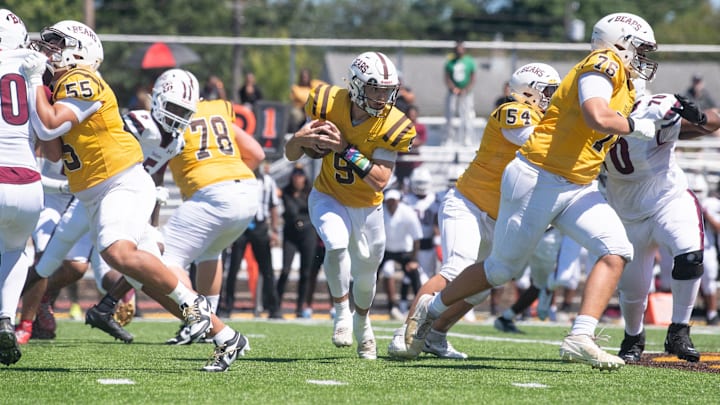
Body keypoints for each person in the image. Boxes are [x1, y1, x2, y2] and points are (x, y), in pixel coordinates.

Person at [406, 12, 661, 371]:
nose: (643, 58)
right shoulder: (603, 63)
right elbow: (596, 115)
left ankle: (580, 337)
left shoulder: (628, 83)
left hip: (577, 183)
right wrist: (635, 125)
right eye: (640, 49)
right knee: (500, 269)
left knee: (616, 250)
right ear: (620, 43)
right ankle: (430, 309)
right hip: (538, 176)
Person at [21, 23, 238, 371]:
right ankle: (226, 337)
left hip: (119, 182)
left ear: (80, 51)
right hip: (93, 192)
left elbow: (48, 127)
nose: (48, 52)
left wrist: (33, 83)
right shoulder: (58, 85)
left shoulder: (83, 78)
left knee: (116, 251)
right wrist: (40, 92)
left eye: (57, 45)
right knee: (148, 279)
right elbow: (52, 150)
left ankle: (194, 307)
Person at [388, 62, 561, 360]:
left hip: (498, 216)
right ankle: (404, 333)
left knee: (483, 285)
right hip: (468, 204)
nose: (553, 97)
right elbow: (535, 145)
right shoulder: (512, 110)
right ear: (528, 92)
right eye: (548, 91)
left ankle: (436, 335)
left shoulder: (547, 121)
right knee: (457, 268)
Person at [284, 51, 416, 359]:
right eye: (375, 88)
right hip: (328, 195)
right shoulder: (327, 102)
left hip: (368, 206)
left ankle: (363, 323)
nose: (382, 97)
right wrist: (299, 139)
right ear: (356, 85)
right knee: (335, 243)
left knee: (367, 275)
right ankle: (341, 313)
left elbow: (380, 179)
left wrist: (344, 149)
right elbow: (292, 154)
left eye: (387, 90)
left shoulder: (393, 124)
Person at [604, 92, 719, 363]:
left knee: (690, 256)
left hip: (669, 198)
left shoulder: (651, 109)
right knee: (633, 288)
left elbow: (712, 121)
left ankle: (679, 329)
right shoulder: (593, 115)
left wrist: (701, 116)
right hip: (627, 212)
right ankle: (633, 337)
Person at [0, 9, 60, 366]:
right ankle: (5, 318)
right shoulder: (31, 72)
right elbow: (51, 145)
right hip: (28, 182)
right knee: (18, 252)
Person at [220, 162, 281, 319]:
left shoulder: (268, 181)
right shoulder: (238, 179)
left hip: (260, 227)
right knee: (233, 269)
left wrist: (274, 230)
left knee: (267, 268)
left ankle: (273, 308)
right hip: (241, 227)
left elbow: (273, 206)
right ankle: (227, 306)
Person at [276, 164, 320, 318]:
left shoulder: (310, 193)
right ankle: (276, 304)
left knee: (306, 273)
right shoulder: (285, 192)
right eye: (295, 175)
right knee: (286, 270)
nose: (298, 179)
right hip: (290, 235)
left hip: (308, 234)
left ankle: (301, 306)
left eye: (300, 176)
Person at [380, 189, 423, 320]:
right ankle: (390, 307)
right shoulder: (379, 211)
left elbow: (417, 238)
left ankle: (419, 309)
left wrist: (414, 259)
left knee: (415, 276)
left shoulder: (407, 213)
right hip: (385, 250)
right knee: (370, 275)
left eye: (394, 201)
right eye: (389, 201)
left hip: (404, 250)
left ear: (398, 201)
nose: (391, 203)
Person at [444, 40, 476, 146]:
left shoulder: (469, 61)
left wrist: (466, 89)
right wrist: (453, 88)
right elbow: (447, 77)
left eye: (461, 49)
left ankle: (467, 138)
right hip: (453, 93)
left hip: (466, 93)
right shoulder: (450, 61)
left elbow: (473, 77)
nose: (459, 51)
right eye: (457, 49)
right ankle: (449, 138)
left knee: (467, 115)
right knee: (450, 114)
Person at [700, 176, 720, 325]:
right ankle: (710, 312)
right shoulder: (711, 203)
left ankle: (712, 313)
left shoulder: (710, 204)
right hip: (702, 246)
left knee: (709, 281)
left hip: (709, 247)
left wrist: (706, 214)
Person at [395, 105, 427, 193]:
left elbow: (422, 141)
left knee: (414, 184)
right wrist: (411, 142)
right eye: (410, 114)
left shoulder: (420, 127)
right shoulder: (400, 126)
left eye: (413, 114)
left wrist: (407, 142)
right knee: (400, 185)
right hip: (401, 161)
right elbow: (398, 140)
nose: (412, 116)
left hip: (414, 162)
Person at [289, 68, 324, 132]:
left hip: (313, 108)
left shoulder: (314, 84)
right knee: (295, 114)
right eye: (303, 77)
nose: (304, 79)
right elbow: (304, 99)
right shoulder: (296, 88)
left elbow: (324, 88)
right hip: (301, 110)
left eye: (306, 77)